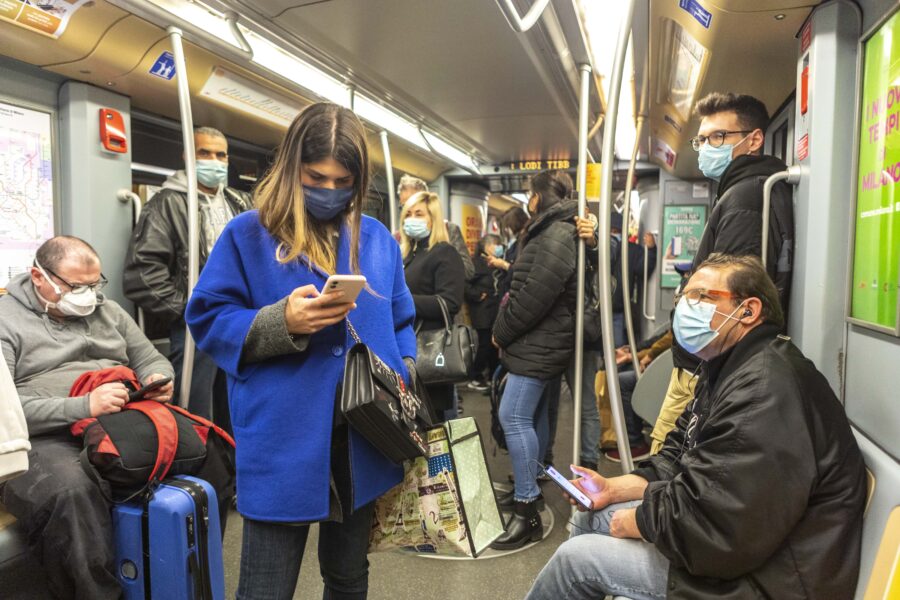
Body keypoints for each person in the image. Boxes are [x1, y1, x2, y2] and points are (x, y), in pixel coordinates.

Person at [526, 254, 866, 600]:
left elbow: (717, 525)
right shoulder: (725, 368)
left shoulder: (765, 391)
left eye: (702, 297)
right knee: (590, 517)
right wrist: (611, 491)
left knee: (576, 560)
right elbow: (679, 454)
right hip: (744, 549)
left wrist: (636, 522)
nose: (687, 308)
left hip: (773, 577)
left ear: (747, 311)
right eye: (685, 297)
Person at [185, 103, 417, 599]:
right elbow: (206, 317)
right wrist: (279, 322)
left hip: (364, 437)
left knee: (349, 575)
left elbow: (401, 318)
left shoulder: (375, 240)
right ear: (292, 169)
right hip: (283, 438)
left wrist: (405, 371)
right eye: (316, 177)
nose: (329, 191)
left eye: (343, 181)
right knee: (266, 586)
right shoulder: (248, 235)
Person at [0, 236, 175, 599]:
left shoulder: (108, 310)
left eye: (96, 285)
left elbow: (148, 358)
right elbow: (6, 412)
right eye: (77, 286)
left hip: (117, 418)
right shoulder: (6, 321)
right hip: (43, 437)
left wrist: (159, 377)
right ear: (38, 276)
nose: (90, 295)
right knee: (72, 493)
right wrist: (83, 406)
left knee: (207, 455)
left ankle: (188, 576)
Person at [654, 92, 795, 453]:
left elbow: (728, 297)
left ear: (754, 139)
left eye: (718, 137)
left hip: (705, 366)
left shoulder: (745, 200)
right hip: (707, 364)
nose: (706, 147)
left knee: (666, 461)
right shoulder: (741, 192)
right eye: (702, 139)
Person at [124, 126, 252, 432]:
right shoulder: (167, 203)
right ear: (187, 156)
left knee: (236, 402)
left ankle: (233, 467)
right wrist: (189, 311)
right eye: (204, 153)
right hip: (199, 322)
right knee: (197, 408)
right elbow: (143, 272)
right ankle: (203, 470)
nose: (214, 161)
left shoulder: (240, 203)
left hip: (241, 319)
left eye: (220, 155)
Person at [490, 170, 578, 550]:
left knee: (514, 416)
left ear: (541, 196)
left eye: (530, 192)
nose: (529, 199)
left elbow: (532, 298)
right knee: (535, 416)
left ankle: (527, 510)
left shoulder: (556, 234)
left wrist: (501, 331)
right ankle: (531, 485)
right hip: (543, 341)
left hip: (539, 342)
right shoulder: (553, 230)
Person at [400, 191, 466, 421]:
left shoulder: (444, 253)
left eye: (419, 213)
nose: (412, 219)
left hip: (430, 348)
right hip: (409, 348)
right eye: (408, 214)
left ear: (433, 218)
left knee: (434, 424)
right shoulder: (409, 254)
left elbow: (450, 303)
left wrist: (402, 300)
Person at [396, 174, 474, 280]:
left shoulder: (449, 230)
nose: (410, 213)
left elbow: (468, 271)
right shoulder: (397, 237)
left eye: (415, 204)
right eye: (404, 207)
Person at [465, 233, 502, 392]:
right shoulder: (477, 263)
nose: (499, 248)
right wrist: (476, 295)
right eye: (496, 245)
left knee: (493, 346)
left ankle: (492, 377)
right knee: (484, 345)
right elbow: (465, 284)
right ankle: (475, 375)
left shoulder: (493, 263)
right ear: (487, 247)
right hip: (482, 312)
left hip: (493, 312)